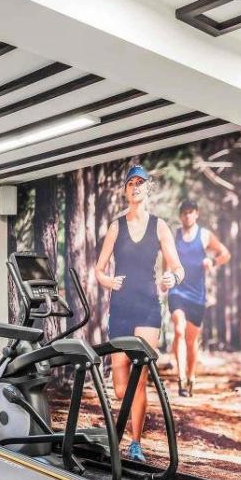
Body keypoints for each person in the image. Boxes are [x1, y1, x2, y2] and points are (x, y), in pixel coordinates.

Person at [94, 165, 185, 464]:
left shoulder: (159, 227)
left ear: (148, 188)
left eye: (140, 183)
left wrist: (173, 278)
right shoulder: (116, 227)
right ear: (125, 190)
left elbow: (178, 267)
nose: (135, 187)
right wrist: (108, 281)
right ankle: (122, 432)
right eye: (131, 183)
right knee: (122, 388)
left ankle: (135, 443)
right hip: (120, 309)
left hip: (148, 309)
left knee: (140, 378)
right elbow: (99, 269)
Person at [168, 199, 231, 398]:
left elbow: (225, 254)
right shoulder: (174, 235)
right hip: (177, 290)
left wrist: (212, 261)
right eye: (184, 212)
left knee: (191, 339)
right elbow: (167, 259)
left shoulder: (204, 235)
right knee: (179, 330)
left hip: (197, 294)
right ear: (180, 216)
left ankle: (191, 376)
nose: (187, 216)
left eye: (191, 212)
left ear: (196, 214)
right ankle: (181, 379)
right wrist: (166, 278)